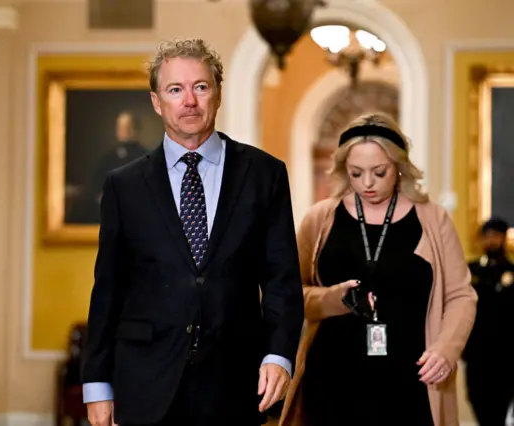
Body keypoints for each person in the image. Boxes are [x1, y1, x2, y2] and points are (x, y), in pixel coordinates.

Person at [80, 37, 304, 426]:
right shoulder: (124, 185)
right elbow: (108, 290)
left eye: (201, 87)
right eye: (175, 89)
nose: (189, 101)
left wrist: (278, 354)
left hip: (235, 382)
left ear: (217, 95)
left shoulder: (265, 175)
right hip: (145, 382)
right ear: (156, 101)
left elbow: (282, 277)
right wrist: (98, 384)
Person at [279, 113, 477, 426]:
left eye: (379, 172)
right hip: (331, 378)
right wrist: (334, 298)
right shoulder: (320, 218)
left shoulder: (433, 219)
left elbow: (461, 295)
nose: (367, 183)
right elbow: (289, 293)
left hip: (411, 380)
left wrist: (446, 349)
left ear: (399, 167)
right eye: (356, 173)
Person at [462, 218, 514, 426]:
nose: (491, 240)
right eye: (487, 235)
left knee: (501, 403)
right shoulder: (471, 271)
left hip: (505, 352)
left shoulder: (512, 272)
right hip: (476, 350)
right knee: (477, 397)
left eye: (496, 236)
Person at [66, 111, 149, 224]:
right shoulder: (108, 158)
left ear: (135, 130)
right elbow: (95, 186)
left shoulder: (146, 157)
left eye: (126, 127)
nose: (122, 131)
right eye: (120, 127)